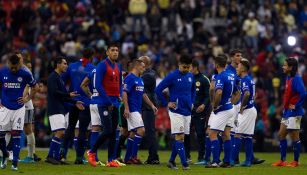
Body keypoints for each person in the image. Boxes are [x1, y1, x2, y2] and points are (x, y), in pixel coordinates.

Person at [155, 54, 195, 170]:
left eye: (188, 67)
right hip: (176, 111)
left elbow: (193, 90)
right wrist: (166, 102)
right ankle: (184, 164)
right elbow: (158, 90)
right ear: (179, 64)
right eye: (184, 67)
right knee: (180, 136)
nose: (186, 69)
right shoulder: (172, 76)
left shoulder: (190, 76)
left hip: (187, 111)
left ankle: (171, 161)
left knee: (182, 138)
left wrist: (192, 102)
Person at [0, 53, 38, 171]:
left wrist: (28, 98)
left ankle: (15, 162)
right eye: (12, 66)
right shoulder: (2, 71)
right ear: (9, 63)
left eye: (16, 67)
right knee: (1, 134)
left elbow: (36, 87)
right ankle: (5, 154)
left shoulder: (25, 73)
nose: (13, 69)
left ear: (19, 64)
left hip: (19, 108)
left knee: (17, 134)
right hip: (5, 107)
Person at [87, 43, 123, 167]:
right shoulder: (102, 65)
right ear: (107, 52)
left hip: (115, 102)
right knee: (107, 130)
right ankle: (91, 152)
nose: (115, 52)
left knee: (113, 132)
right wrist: (108, 101)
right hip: (104, 102)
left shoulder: (118, 66)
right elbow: (97, 85)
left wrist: (120, 95)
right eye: (112, 50)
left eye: (117, 50)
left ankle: (110, 160)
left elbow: (120, 85)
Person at [45, 56, 84, 165]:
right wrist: (68, 94)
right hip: (54, 108)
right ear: (58, 64)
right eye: (64, 63)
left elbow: (64, 97)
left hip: (59, 108)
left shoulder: (59, 77)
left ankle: (56, 157)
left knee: (60, 133)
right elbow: (54, 92)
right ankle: (50, 156)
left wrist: (75, 102)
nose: (66, 66)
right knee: (60, 132)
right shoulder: (53, 77)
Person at [60, 48, 95, 164]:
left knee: (70, 127)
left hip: (73, 101)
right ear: (92, 57)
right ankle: (79, 158)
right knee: (83, 130)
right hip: (86, 103)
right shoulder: (93, 69)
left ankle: (62, 155)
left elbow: (62, 81)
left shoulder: (72, 66)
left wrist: (66, 95)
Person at [272, 58, 306, 167]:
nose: (283, 67)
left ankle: (295, 161)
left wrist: (296, 105)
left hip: (294, 112)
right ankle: (283, 160)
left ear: (291, 67)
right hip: (287, 112)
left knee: (294, 136)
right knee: (281, 134)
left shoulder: (296, 79)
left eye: (285, 65)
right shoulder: (288, 77)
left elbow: (304, 93)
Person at [123, 59, 158, 164]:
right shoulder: (130, 78)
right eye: (142, 66)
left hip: (137, 109)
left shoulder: (140, 79)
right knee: (141, 130)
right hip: (132, 109)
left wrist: (152, 105)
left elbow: (143, 94)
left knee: (133, 133)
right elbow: (124, 93)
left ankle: (127, 158)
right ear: (136, 66)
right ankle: (133, 156)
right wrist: (126, 108)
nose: (144, 68)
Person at [206, 54, 235, 168]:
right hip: (230, 108)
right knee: (226, 135)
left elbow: (218, 92)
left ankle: (215, 161)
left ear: (217, 65)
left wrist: (215, 106)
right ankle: (227, 161)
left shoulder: (221, 76)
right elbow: (237, 92)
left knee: (212, 134)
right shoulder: (231, 75)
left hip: (222, 109)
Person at [231, 58, 257, 167]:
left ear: (243, 68)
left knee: (237, 134)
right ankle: (248, 161)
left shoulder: (245, 79)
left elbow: (246, 94)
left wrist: (242, 107)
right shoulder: (249, 79)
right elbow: (252, 95)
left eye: (239, 66)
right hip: (251, 109)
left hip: (247, 110)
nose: (237, 67)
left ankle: (231, 160)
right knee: (247, 137)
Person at [184, 60, 211, 165]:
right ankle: (187, 156)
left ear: (195, 67)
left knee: (200, 134)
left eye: (189, 67)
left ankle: (201, 157)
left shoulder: (204, 80)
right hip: (188, 111)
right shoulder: (187, 78)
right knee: (186, 134)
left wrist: (204, 105)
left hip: (200, 112)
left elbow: (208, 95)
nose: (188, 69)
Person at [139, 56, 160, 164]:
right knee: (147, 131)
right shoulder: (148, 73)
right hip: (145, 105)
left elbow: (137, 83)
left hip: (148, 106)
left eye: (139, 62)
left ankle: (154, 157)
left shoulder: (148, 75)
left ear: (144, 63)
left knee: (150, 131)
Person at [19, 59, 41, 163]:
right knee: (27, 130)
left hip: (26, 106)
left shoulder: (27, 77)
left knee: (28, 130)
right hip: (26, 106)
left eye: (31, 67)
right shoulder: (25, 75)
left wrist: (26, 99)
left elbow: (32, 90)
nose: (29, 69)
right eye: (28, 66)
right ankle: (32, 154)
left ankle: (30, 156)